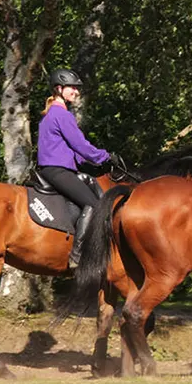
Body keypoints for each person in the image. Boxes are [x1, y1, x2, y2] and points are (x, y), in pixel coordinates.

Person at [36, 68, 111, 268]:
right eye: (72, 88)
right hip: (57, 171)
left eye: (77, 89)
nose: (76, 92)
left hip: (53, 169)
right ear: (59, 88)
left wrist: (87, 162)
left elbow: (70, 149)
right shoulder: (62, 115)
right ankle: (77, 256)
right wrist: (104, 156)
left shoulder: (50, 114)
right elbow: (81, 145)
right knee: (95, 206)